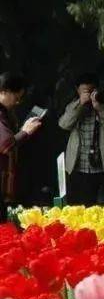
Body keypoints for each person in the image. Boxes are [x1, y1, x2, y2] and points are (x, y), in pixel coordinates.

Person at [58, 73, 104, 206]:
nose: (88, 95)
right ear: (78, 90)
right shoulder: (73, 106)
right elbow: (64, 124)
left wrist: (100, 108)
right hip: (81, 167)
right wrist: (80, 104)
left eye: (91, 91)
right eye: (84, 91)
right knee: (84, 207)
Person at [0, 72, 43, 221]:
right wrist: (25, 132)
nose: (17, 103)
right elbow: (6, 145)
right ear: (4, 91)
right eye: (16, 98)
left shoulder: (7, 113)